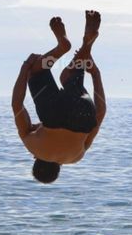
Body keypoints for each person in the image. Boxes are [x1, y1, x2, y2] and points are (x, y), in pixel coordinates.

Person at [11, 11, 106, 183]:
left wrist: (96, 75)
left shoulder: (76, 157)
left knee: (69, 76)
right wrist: (26, 67)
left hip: (82, 116)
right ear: (35, 160)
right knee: (37, 71)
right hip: (52, 114)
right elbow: (17, 105)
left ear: (59, 167)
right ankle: (62, 47)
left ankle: (87, 46)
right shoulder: (33, 147)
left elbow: (99, 115)